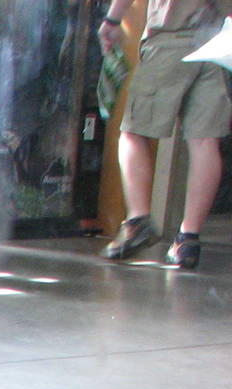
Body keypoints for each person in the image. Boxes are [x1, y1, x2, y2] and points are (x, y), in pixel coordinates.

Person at [98, 0, 232, 270]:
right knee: (205, 141)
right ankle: (188, 240)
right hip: (219, 43)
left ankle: (137, 222)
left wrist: (112, 19)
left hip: (170, 39)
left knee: (133, 132)